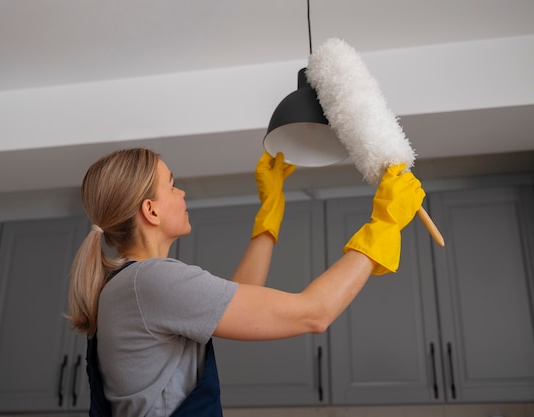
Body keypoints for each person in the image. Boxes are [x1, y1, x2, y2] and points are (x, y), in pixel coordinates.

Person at [68, 148, 425, 417]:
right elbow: (314, 313)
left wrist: (271, 207)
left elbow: (241, 295)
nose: (182, 194)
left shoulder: (132, 285)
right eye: (172, 186)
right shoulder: (152, 282)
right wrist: (385, 223)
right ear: (151, 211)